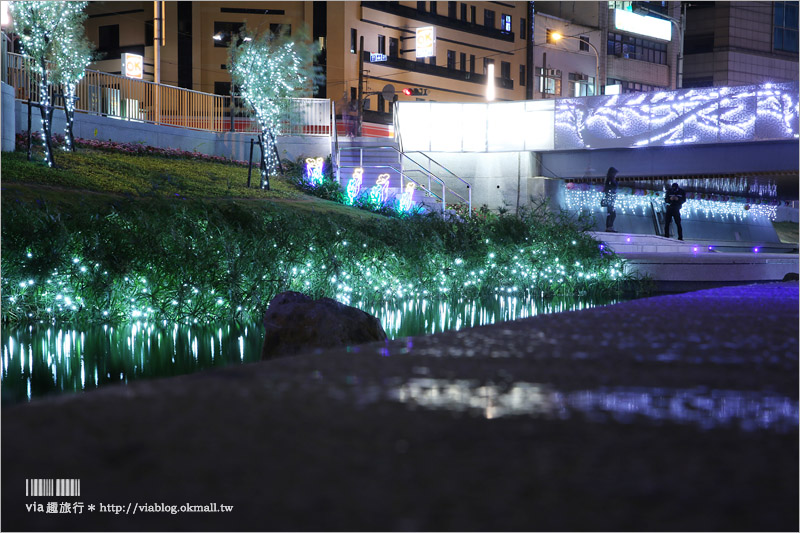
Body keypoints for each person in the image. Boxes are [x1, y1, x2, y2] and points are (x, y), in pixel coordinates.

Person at [602, 166, 619, 232]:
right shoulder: (609, 180)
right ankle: (609, 227)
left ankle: (609, 227)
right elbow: (608, 188)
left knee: (611, 213)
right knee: (611, 213)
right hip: (610, 198)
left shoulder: (610, 179)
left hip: (611, 198)